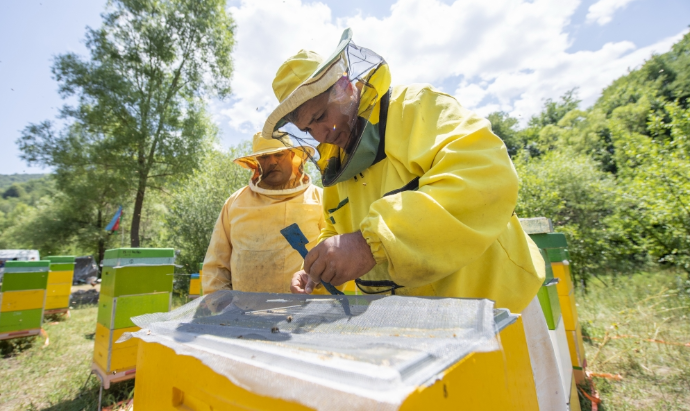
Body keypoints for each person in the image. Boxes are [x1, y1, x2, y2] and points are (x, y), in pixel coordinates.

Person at [262, 29, 545, 314]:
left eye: (320, 117)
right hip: (415, 325)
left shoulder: (416, 107)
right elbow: (336, 228)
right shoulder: (335, 163)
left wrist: (368, 244)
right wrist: (317, 266)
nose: (320, 135)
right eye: (308, 129)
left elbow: (483, 174)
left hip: (498, 306)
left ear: (345, 85)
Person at [201, 132, 325, 294]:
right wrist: (219, 305)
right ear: (256, 163)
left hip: (306, 314)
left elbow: (332, 256)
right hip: (244, 313)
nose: (272, 161)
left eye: (279, 154)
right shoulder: (235, 202)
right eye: (264, 157)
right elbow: (216, 262)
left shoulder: (319, 198)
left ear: (293, 156)